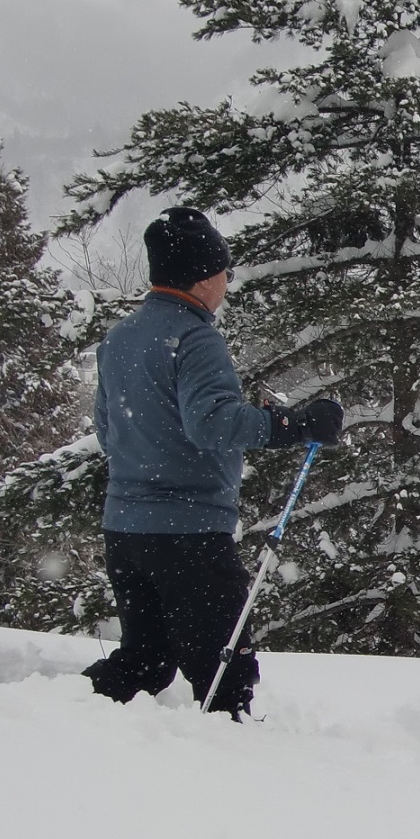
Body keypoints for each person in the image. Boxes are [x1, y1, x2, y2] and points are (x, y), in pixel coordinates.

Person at [84, 206, 343, 720]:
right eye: (225, 270)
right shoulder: (195, 338)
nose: (228, 280)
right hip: (189, 535)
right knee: (224, 676)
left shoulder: (121, 337)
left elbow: (107, 429)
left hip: (126, 531)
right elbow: (212, 423)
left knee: (145, 661)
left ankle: (66, 718)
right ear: (203, 277)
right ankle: (231, 756)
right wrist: (294, 425)